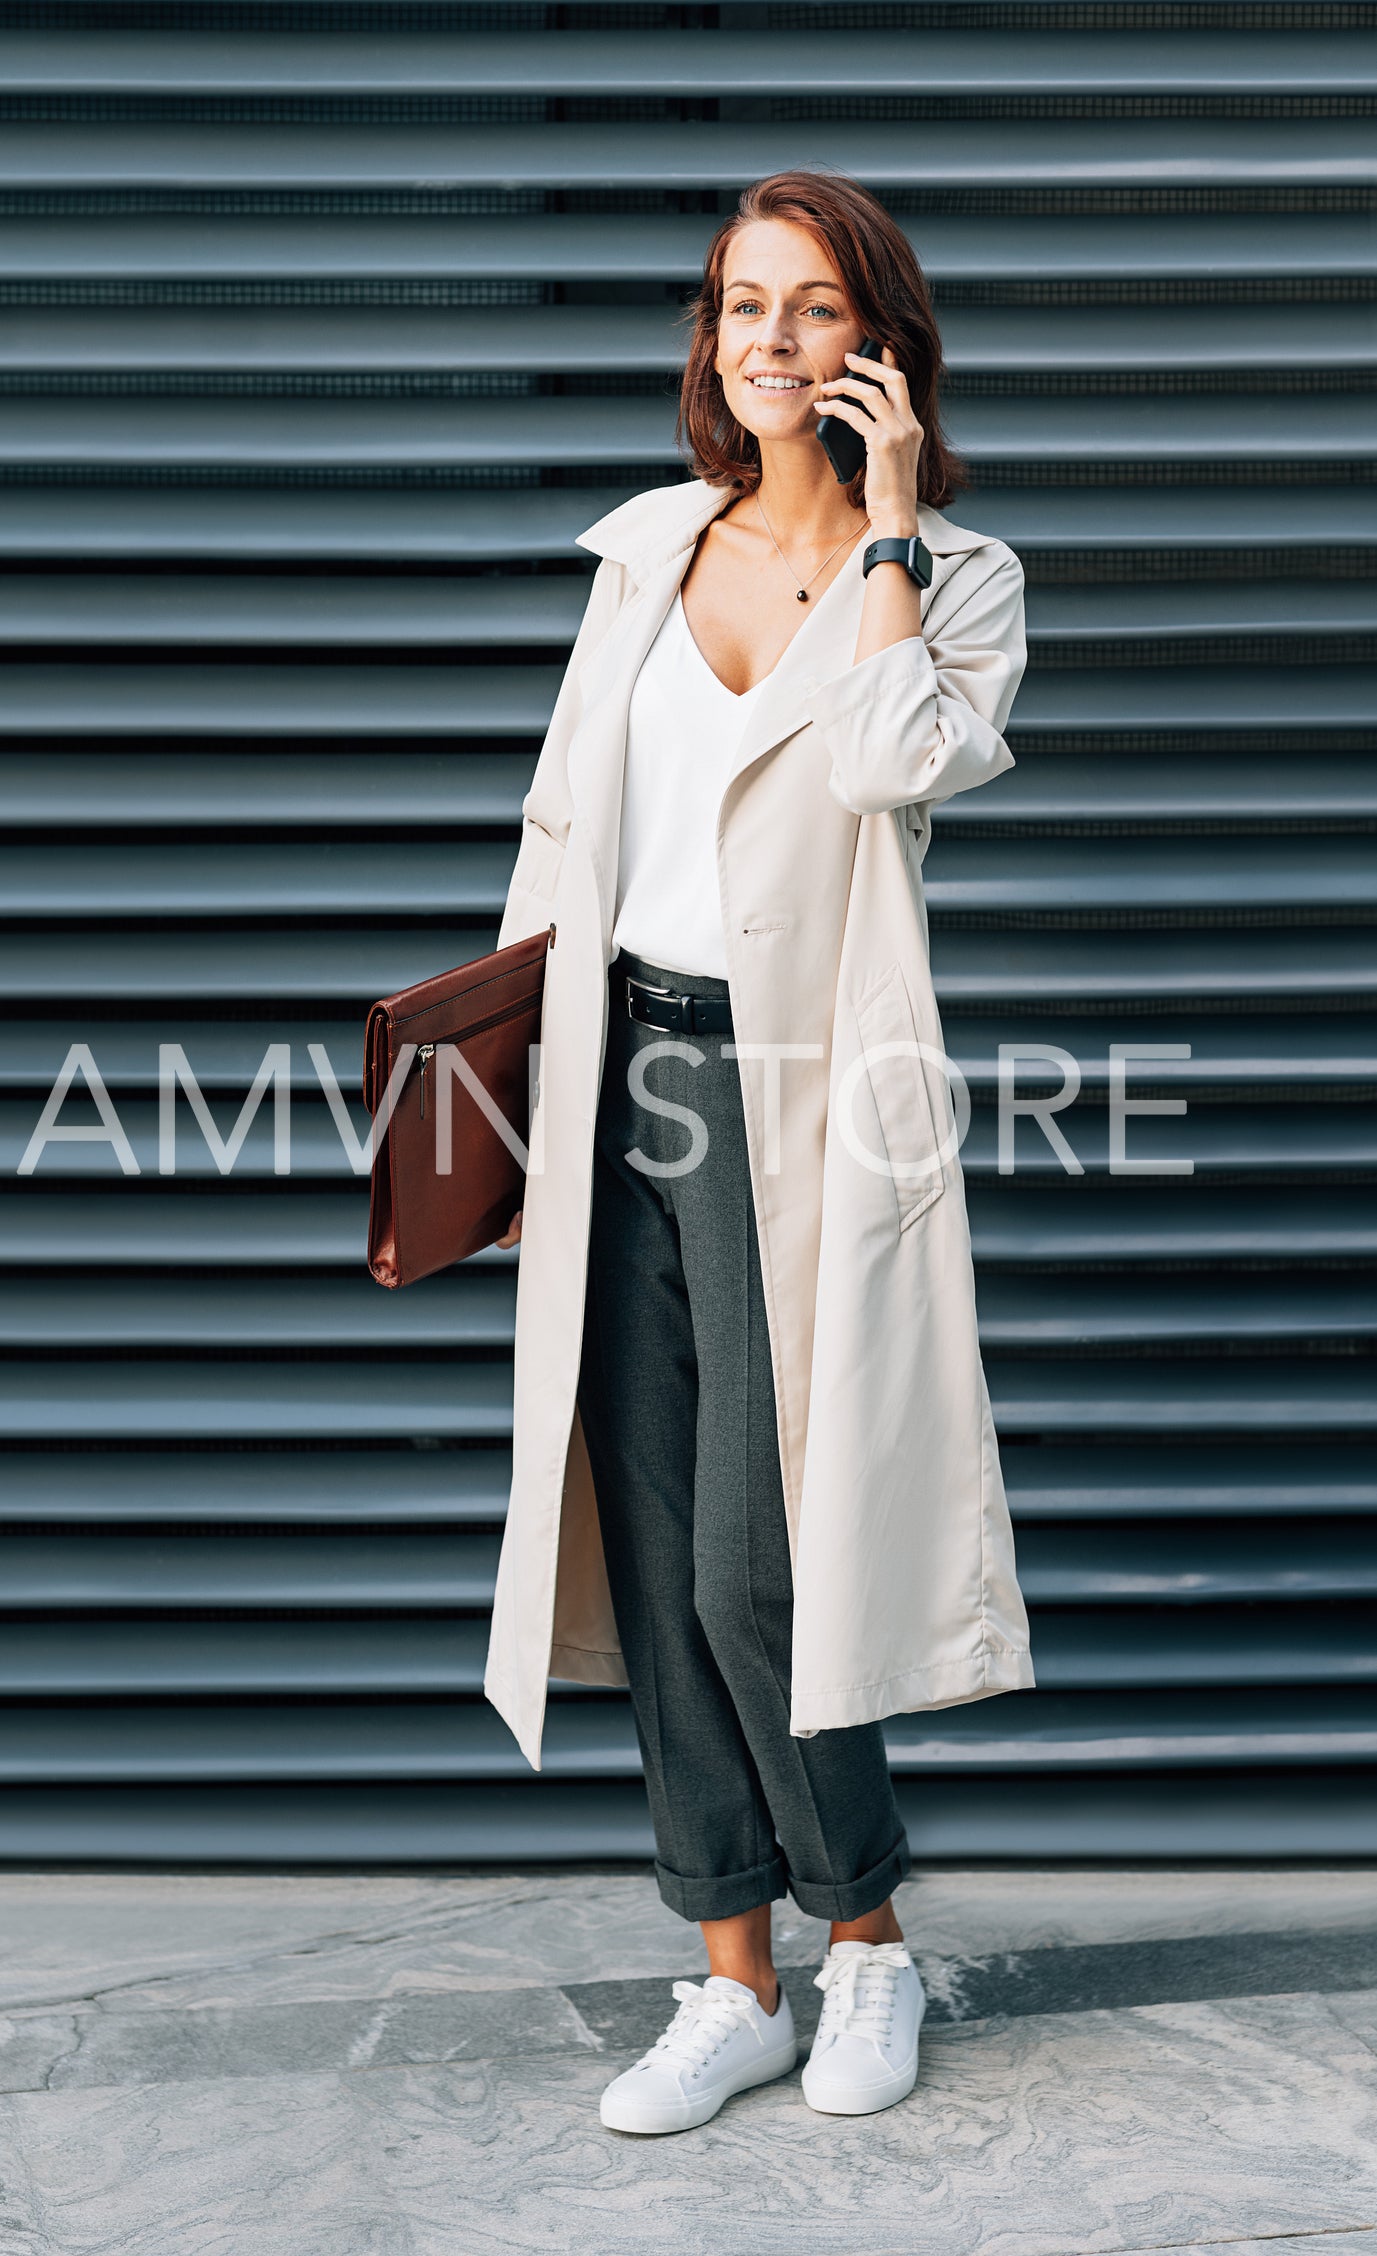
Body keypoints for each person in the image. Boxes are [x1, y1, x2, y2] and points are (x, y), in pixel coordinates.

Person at [487, 170, 1034, 2136]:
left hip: (790, 1102)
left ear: (878, 339)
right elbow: (573, 828)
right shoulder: (647, 552)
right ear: (708, 336)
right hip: (610, 1066)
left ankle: (870, 1940)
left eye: (814, 308)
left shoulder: (956, 581)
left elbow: (894, 764)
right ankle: (733, 1976)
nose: (772, 342)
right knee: (646, 1561)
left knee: (752, 1569)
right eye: (742, 307)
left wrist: (884, 530)